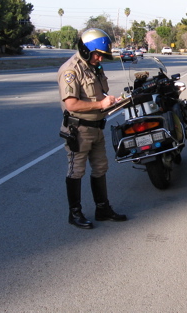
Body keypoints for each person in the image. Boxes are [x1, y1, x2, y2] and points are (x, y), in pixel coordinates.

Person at [57, 28, 127, 229]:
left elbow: (100, 97)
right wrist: (100, 106)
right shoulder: (71, 71)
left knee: (101, 167)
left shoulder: (94, 67)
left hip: (97, 127)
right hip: (78, 130)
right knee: (76, 170)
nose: (100, 59)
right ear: (86, 49)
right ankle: (75, 213)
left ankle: (102, 209)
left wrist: (119, 101)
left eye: (102, 56)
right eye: (97, 54)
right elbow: (71, 104)